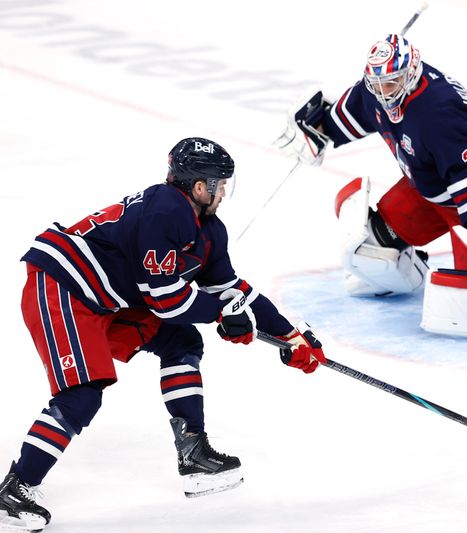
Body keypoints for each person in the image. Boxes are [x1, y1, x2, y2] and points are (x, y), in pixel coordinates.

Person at [0, 138, 327, 532]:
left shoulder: (207, 229)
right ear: (198, 186)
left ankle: (193, 453)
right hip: (63, 287)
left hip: (108, 298)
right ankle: (14, 490)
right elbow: (167, 302)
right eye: (219, 183)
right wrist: (224, 315)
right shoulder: (166, 210)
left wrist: (291, 336)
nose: (225, 191)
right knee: (82, 394)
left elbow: (232, 290)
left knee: (182, 341)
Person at [276, 34, 467, 338]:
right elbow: (346, 117)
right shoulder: (376, 89)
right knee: (369, 248)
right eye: (377, 84)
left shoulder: (440, 112)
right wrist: (314, 129)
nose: (383, 92)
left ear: (411, 74)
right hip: (434, 187)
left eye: (391, 83)